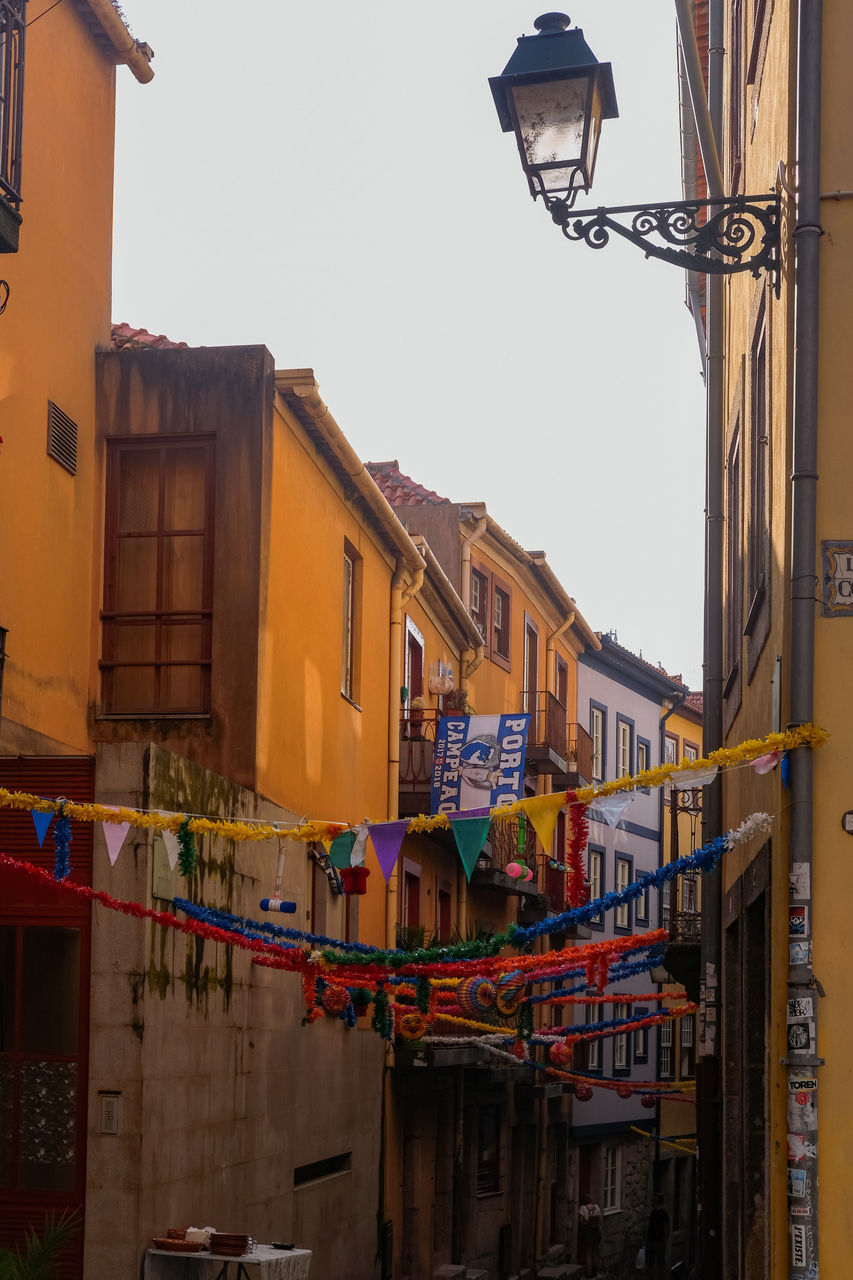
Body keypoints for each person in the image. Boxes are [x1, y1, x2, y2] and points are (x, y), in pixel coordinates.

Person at [645, 1193, 670, 1279]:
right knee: (649, 1264)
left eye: (653, 1199)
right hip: (651, 1241)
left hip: (659, 1242)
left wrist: (663, 1242)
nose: (651, 1201)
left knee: (660, 1264)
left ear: (657, 1201)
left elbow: (667, 1228)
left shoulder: (663, 1213)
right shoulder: (653, 1212)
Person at [577, 1195, 602, 1278]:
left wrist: (585, 1223)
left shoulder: (583, 1208)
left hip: (589, 1232)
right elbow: (599, 1218)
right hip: (597, 1231)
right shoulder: (596, 1207)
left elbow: (581, 1221)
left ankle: (589, 1273)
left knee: (588, 1253)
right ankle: (595, 1271)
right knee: (595, 1252)